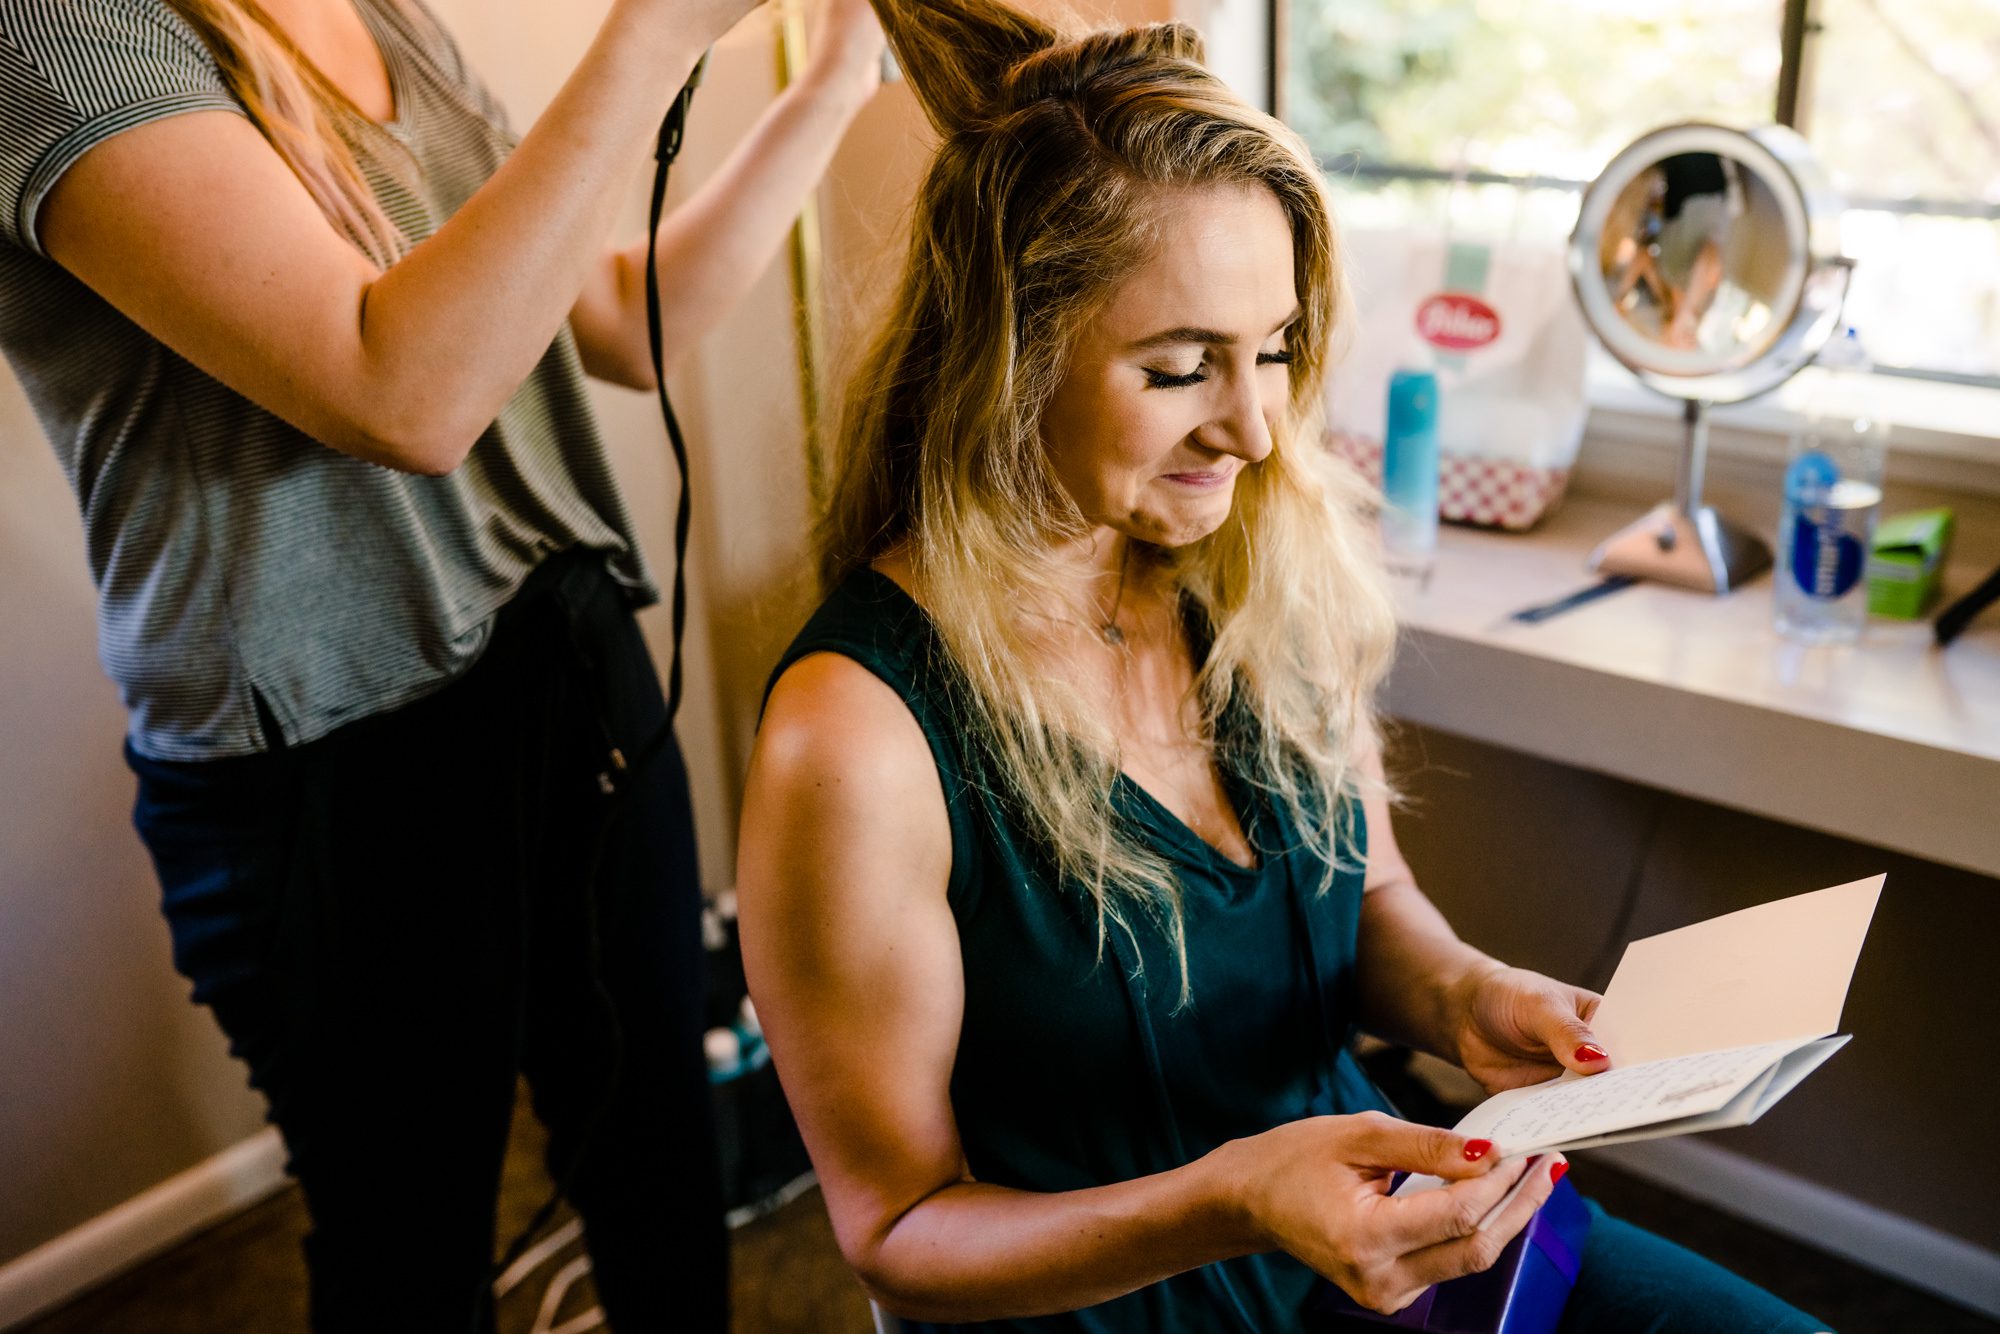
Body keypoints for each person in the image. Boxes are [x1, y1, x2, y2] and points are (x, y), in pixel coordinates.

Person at [734, 2, 1838, 1330]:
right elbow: (897, 1230)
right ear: (1007, 358)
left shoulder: (1261, 576)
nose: (1256, 426)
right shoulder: (856, 737)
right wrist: (1233, 1195)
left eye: (1273, 350)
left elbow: (1372, 901)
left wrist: (1466, 995)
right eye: (1182, 366)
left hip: (1391, 1240)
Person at [0, 0, 884, 1328]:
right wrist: (647, 38)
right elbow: (397, 387)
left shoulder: (379, 14)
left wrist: (833, 82)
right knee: (407, 1255)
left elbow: (620, 320)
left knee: (659, 1161)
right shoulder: (55, 33)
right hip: (325, 755)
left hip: (565, 655)